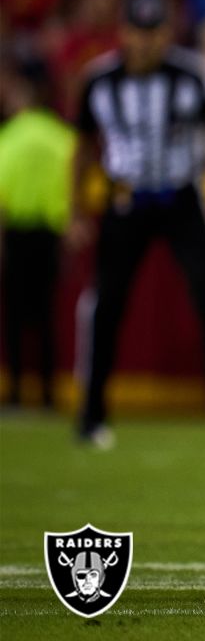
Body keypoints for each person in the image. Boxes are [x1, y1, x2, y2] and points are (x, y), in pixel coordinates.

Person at [71, 0, 205, 449]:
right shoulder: (99, 79)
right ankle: (91, 414)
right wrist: (76, 211)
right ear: (124, 32)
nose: (146, 41)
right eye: (138, 30)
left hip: (183, 198)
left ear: (168, 32)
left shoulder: (193, 75)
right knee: (105, 306)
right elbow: (82, 147)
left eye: (154, 31)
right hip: (126, 200)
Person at [0, 61, 76, 412]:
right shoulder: (62, 137)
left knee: (14, 318)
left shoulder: (9, 136)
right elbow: (69, 187)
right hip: (50, 234)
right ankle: (47, 394)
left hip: (16, 233)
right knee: (45, 317)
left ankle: (15, 392)